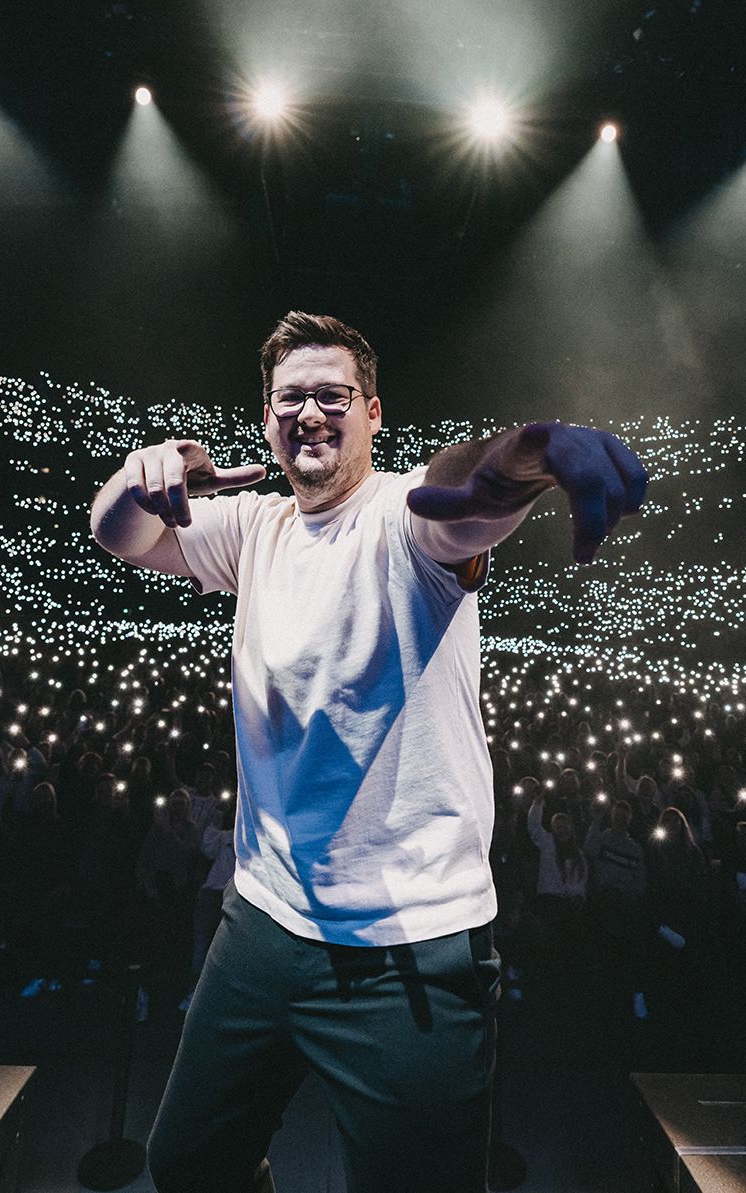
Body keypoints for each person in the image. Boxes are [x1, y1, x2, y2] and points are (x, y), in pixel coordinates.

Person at [90, 311, 648, 1193]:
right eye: (289, 399)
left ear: (374, 411)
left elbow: (462, 496)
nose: (309, 412)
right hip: (265, 919)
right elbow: (118, 537)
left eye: (332, 395)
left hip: (409, 947)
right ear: (266, 420)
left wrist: (531, 453)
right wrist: (140, 478)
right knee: (188, 1162)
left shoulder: (401, 519)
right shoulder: (256, 528)